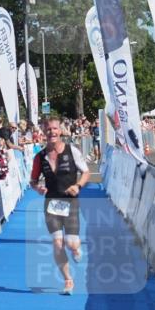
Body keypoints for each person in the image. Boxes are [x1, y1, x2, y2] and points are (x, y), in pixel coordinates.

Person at [30, 118, 89, 295]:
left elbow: (86, 172)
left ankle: (76, 248)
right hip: (51, 203)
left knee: (71, 244)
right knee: (57, 243)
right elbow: (32, 181)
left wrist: (78, 186)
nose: (52, 132)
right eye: (48, 130)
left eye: (55, 129)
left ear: (60, 131)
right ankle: (68, 280)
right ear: (44, 132)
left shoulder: (72, 151)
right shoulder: (39, 157)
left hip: (70, 202)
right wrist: (38, 188)